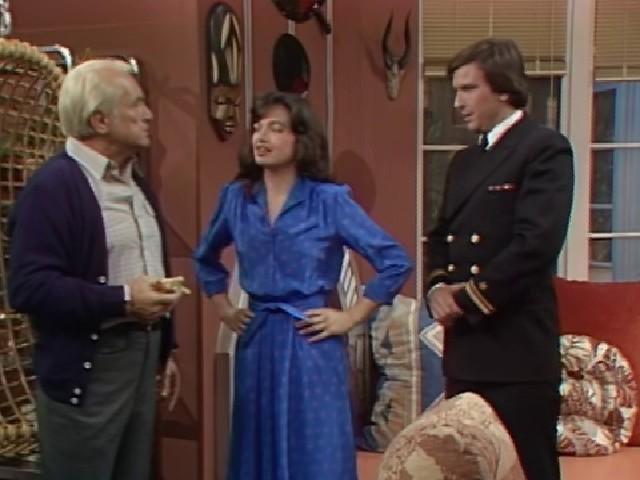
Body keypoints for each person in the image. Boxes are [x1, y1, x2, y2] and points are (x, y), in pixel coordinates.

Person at [194, 91, 412, 480]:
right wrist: (224, 309)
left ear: (301, 138)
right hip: (258, 341)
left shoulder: (329, 200)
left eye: (276, 128)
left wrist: (351, 317)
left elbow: (395, 261)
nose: (261, 137)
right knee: (256, 449)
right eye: (257, 127)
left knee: (315, 453)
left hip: (311, 341)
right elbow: (204, 257)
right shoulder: (237, 198)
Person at [8, 59, 184, 480]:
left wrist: (164, 349)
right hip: (88, 367)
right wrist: (122, 299)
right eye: (136, 104)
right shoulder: (53, 187)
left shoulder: (135, 184)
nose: (148, 114)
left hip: (141, 359)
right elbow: (30, 288)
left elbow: (144, 269)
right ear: (99, 120)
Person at [425, 39, 574, 480]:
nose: (457, 102)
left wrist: (467, 299)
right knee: (465, 470)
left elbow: (536, 244)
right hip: (466, 353)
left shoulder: (544, 148)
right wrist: (436, 289)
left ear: (504, 89)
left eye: (468, 89)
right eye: (456, 90)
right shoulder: (464, 162)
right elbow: (439, 237)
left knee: (530, 470)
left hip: (517, 351)